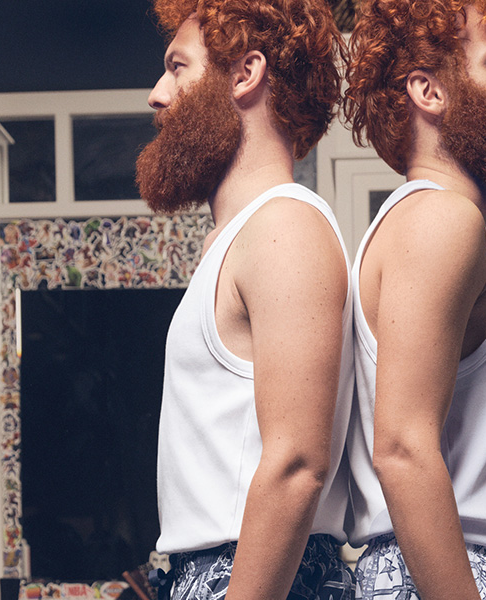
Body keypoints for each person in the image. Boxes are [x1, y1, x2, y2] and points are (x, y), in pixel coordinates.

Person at [340, 1, 486, 599]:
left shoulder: (432, 223)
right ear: (428, 91)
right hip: (447, 573)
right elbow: (403, 449)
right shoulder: (440, 221)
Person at [135, 1, 354, 600]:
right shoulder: (244, 237)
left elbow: (296, 464)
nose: (157, 94)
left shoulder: (285, 227)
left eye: (177, 67)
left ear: (243, 75)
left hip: (254, 574)